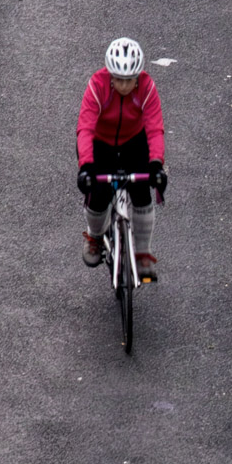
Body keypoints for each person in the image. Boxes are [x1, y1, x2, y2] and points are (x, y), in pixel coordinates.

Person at [76, 37, 167, 282]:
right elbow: (85, 128)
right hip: (100, 142)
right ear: (110, 75)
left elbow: (155, 129)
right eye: (119, 79)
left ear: (138, 76)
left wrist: (157, 164)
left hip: (133, 141)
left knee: (142, 194)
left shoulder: (147, 87)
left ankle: (143, 253)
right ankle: (95, 237)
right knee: (99, 196)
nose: (125, 86)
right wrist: (86, 166)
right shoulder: (97, 85)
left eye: (129, 80)